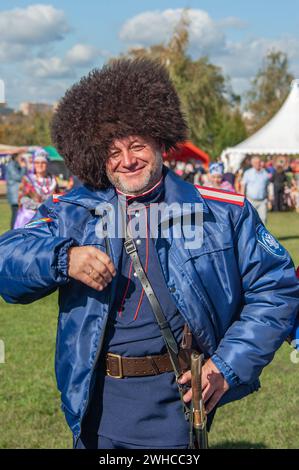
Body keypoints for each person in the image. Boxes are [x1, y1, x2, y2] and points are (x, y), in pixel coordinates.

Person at [0, 59, 298, 450]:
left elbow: (276, 291)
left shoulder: (224, 211)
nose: (126, 161)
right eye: (113, 150)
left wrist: (227, 367)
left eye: (137, 145)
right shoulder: (71, 211)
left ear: (160, 140)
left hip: (179, 408)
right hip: (97, 409)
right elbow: (7, 262)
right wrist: (63, 258)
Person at [14, 149, 59, 228]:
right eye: (37, 162)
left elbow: (57, 196)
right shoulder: (28, 179)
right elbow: (23, 199)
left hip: (48, 218)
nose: (40, 165)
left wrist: (55, 205)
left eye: (43, 162)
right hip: (29, 219)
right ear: (34, 164)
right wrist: (41, 206)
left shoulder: (53, 180)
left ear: (47, 164)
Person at [241, 156, 270, 224]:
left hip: (262, 201)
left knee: (263, 219)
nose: (258, 164)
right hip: (251, 201)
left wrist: (269, 199)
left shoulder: (265, 173)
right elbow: (243, 186)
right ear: (252, 164)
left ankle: (260, 234)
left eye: (259, 162)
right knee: (250, 219)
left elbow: (267, 187)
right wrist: (242, 199)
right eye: (255, 162)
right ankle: (251, 234)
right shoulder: (247, 173)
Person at [5, 151, 27, 229]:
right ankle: (13, 231)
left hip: (17, 193)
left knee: (18, 213)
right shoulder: (11, 165)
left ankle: (16, 230)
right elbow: (18, 177)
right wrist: (24, 167)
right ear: (16, 157)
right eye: (20, 157)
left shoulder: (16, 165)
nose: (22, 158)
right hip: (14, 194)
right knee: (15, 213)